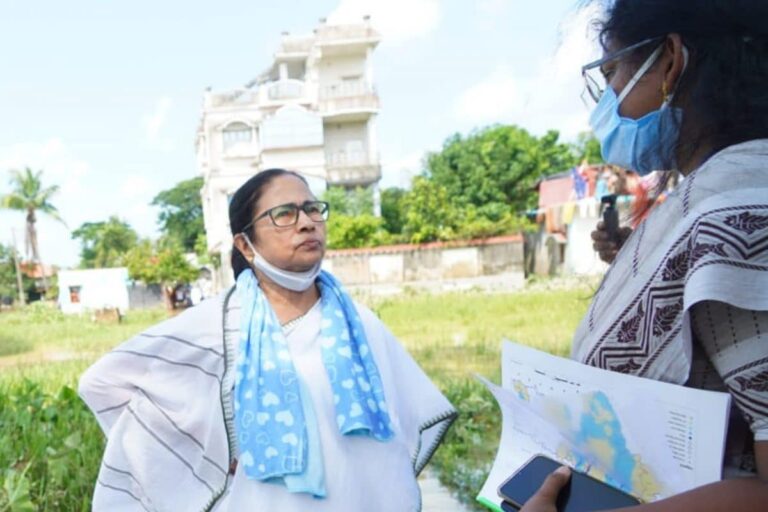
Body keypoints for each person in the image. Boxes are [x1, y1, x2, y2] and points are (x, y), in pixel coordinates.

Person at [79, 168, 457, 511]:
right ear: (245, 245)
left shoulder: (360, 324)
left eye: (312, 209)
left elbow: (402, 417)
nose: (307, 223)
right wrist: (204, 454)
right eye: (285, 214)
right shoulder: (217, 326)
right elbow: (102, 382)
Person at [523, 0, 768, 510]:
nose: (608, 98)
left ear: (671, 62)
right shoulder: (707, 190)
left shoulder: (738, 201)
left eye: (612, 70)